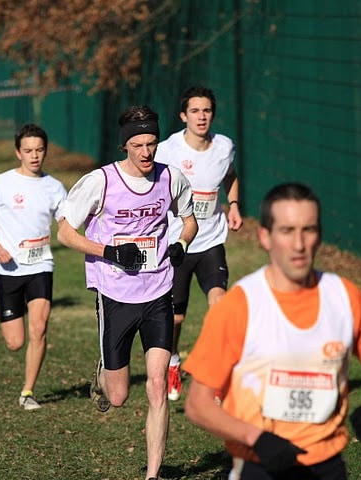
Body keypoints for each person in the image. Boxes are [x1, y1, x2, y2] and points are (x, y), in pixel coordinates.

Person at [183, 182, 361, 479]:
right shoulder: (239, 305)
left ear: (319, 236)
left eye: (307, 230)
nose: (299, 244)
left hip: (327, 465)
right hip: (258, 464)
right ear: (265, 237)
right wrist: (256, 438)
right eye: (286, 231)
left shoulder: (347, 299)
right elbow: (198, 404)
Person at [57, 105, 198, 480]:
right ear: (125, 146)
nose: (147, 152)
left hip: (158, 290)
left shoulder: (171, 178)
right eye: (138, 145)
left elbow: (189, 221)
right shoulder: (100, 181)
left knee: (156, 385)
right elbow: (65, 232)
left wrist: (182, 244)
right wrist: (110, 251)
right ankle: (104, 371)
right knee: (118, 397)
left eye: (152, 143)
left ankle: (152, 475)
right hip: (115, 294)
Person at [155, 85, 243, 401]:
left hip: (211, 240)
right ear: (183, 116)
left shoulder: (224, 147)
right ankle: (174, 360)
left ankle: (216, 374)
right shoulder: (168, 150)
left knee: (219, 306)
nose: (201, 116)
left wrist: (233, 205)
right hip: (178, 242)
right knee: (176, 317)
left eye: (206, 110)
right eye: (195, 111)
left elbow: (230, 175)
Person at [0, 123, 67, 411]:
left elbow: (65, 222)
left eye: (39, 150)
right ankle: (22, 372)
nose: (34, 156)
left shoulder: (54, 187)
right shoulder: (1, 183)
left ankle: (28, 392)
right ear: (18, 153)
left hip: (41, 264)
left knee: (39, 328)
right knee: (15, 342)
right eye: (28, 150)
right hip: (8, 268)